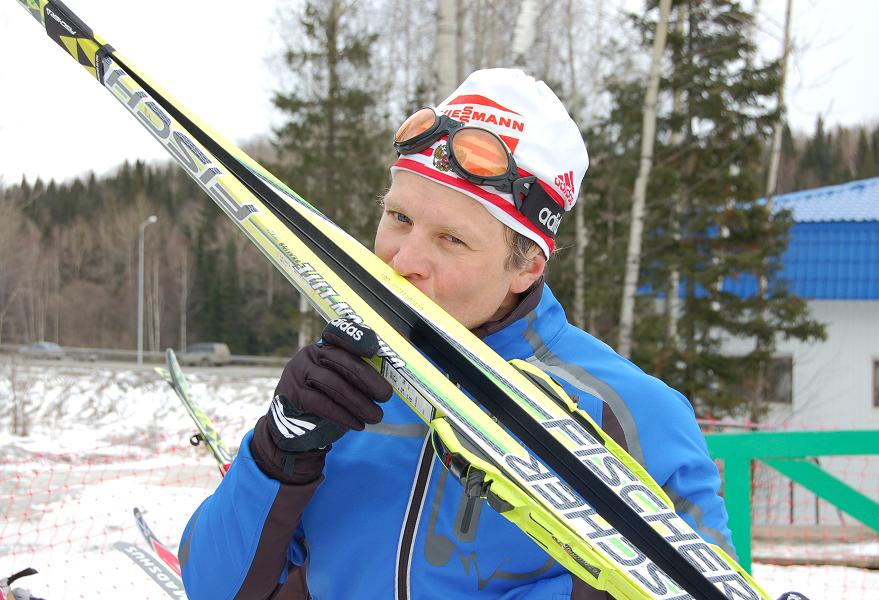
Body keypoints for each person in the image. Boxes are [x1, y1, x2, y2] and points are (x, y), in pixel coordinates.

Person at [179, 69, 736, 600]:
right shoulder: (346, 382)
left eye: (451, 239)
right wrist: (277, 450)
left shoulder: (632, 411)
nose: (405, 261)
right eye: (399, 218)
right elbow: (212, 588)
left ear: (527, 267)